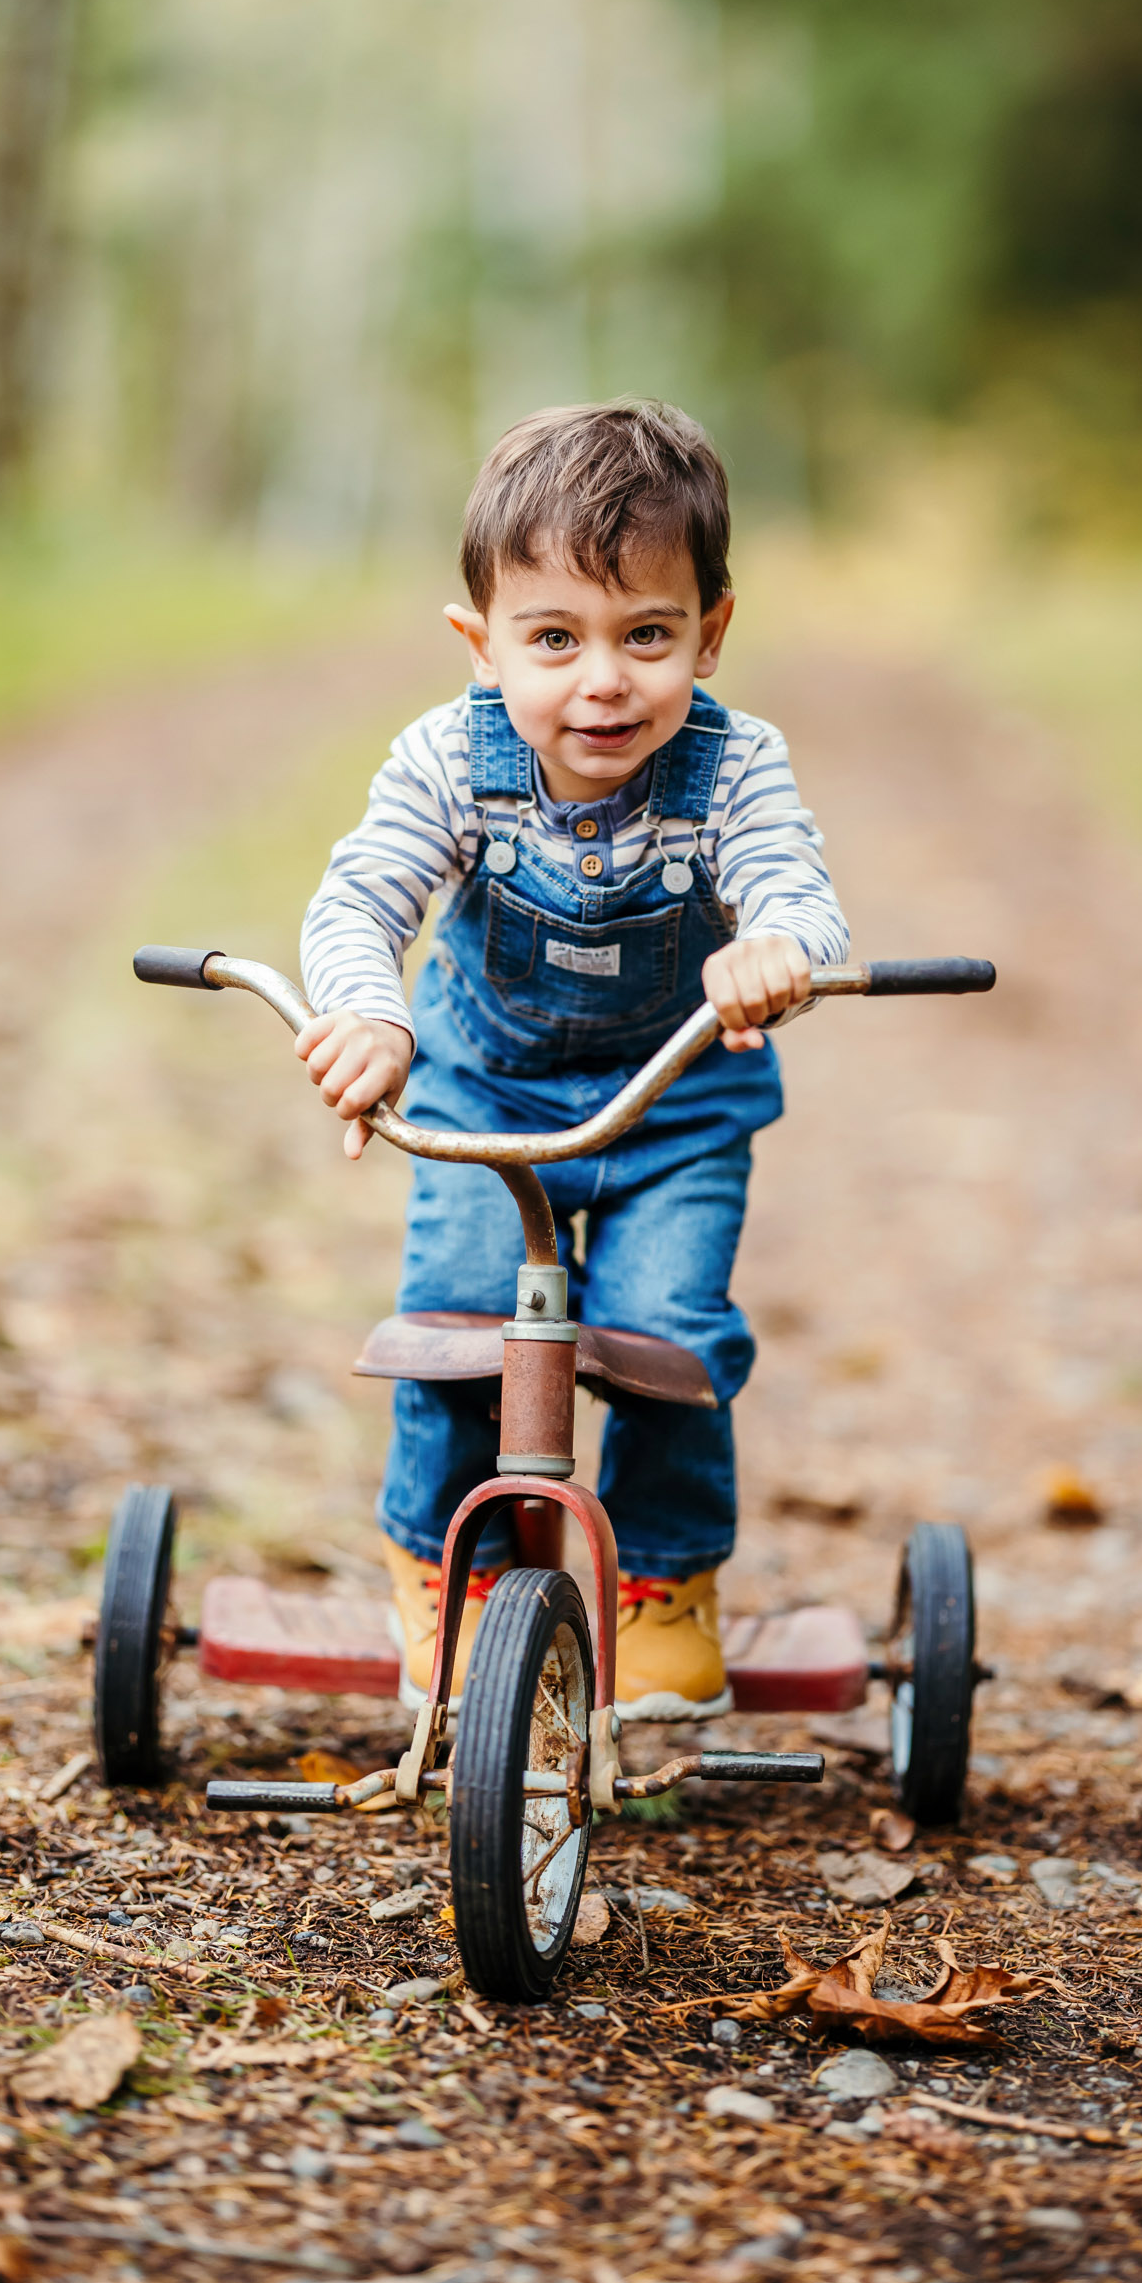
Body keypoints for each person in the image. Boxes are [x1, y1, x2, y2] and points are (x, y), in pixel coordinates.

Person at [297, 401, 848, 1717]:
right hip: (486, 1102)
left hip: (677, 1113)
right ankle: (450, 1574)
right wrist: (371, 1015)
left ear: (711, 631)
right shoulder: (446, 758)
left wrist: (776, 950)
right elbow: (360, 900)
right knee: (458, 1336)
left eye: (647, 636)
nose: (602, 681)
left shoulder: (733, 768)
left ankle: (658, 1584)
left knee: (671, 1342)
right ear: (480, 645)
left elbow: (798, 893)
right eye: (554, 639)